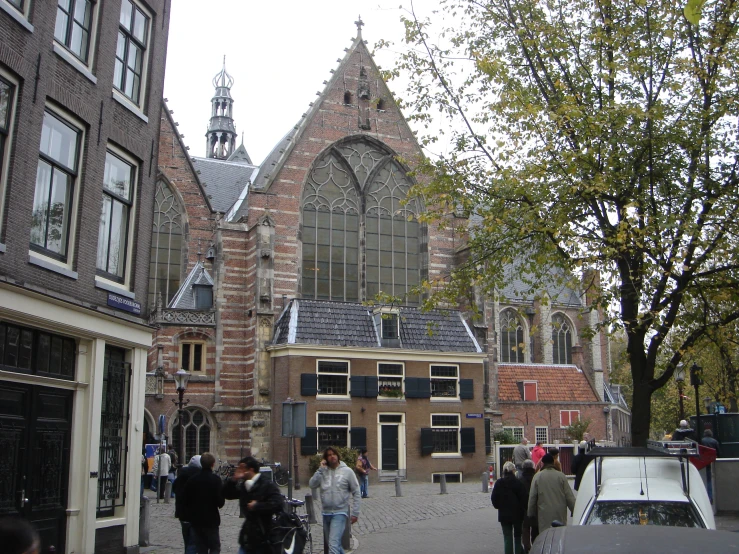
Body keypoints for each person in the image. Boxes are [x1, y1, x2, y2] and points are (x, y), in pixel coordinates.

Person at [223, 456, 285, 554]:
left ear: (251, 470)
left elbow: (278, 504)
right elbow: (228, 494)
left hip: (263, 536)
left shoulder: (266, 484)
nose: (240, 471)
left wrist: (257, 506)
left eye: (242, 469)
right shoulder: (244, 485)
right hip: (247, 537)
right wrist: (233, 480)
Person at [309, 447, 361, 554]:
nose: (332, 456)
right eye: (329, 455)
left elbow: (356, 491)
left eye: (333, 454)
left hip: (340, 512)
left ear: (337, 456)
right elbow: (312, 484)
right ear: (325, 458)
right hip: (326, 513)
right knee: (334, 544)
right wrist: (320, 470)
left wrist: (355, 513)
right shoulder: (323, 471)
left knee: (332, 544)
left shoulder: (347, 472)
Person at [182, 452, 225, 554]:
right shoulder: (216, 480)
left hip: (196, 520)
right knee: (215, 547)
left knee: (201, 548)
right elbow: (220, 502)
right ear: (213, 464)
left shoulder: (192, 480)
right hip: (211, 520)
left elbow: (185, 499)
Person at [527, 454, 575, 534]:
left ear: (542, 463)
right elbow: (569, 496)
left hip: (544, 514)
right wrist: (574, 510)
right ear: (553, 463)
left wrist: (531, 514)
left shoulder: (537, 477)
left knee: (546, 537)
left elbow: (532, 497)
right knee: (559, 535)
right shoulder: (561, 476)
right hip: (559, 513)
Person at [491, 461, 527, 554]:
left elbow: (494, 498)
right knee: (518, 537)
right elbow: (524, 499)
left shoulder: (499, 483)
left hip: (504, 515)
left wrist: (499, 506)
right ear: (513, 470)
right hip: (517, 515)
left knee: (507, 537)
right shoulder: (518, 483)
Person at [174, 455, 202, 554]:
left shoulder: (181, 475)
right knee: (193, 544)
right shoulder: (199, 476)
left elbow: (174, 489)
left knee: (187, 542)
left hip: (182, 515)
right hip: (194, 516)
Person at [518, 459, 538, 552]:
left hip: (524, 508)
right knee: (535, 528)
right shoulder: (536, 478)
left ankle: (527, 548)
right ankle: (535, 546)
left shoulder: (520, 480)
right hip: (535, 507)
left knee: (525, 529)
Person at [701, 429, 720, 504]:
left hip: (703, 463)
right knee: (709, 480)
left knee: (705, 479)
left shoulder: (701, 441)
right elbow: (718, 452)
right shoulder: (714, 441)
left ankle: (706, 496)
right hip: (711, 462)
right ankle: (710, 497)